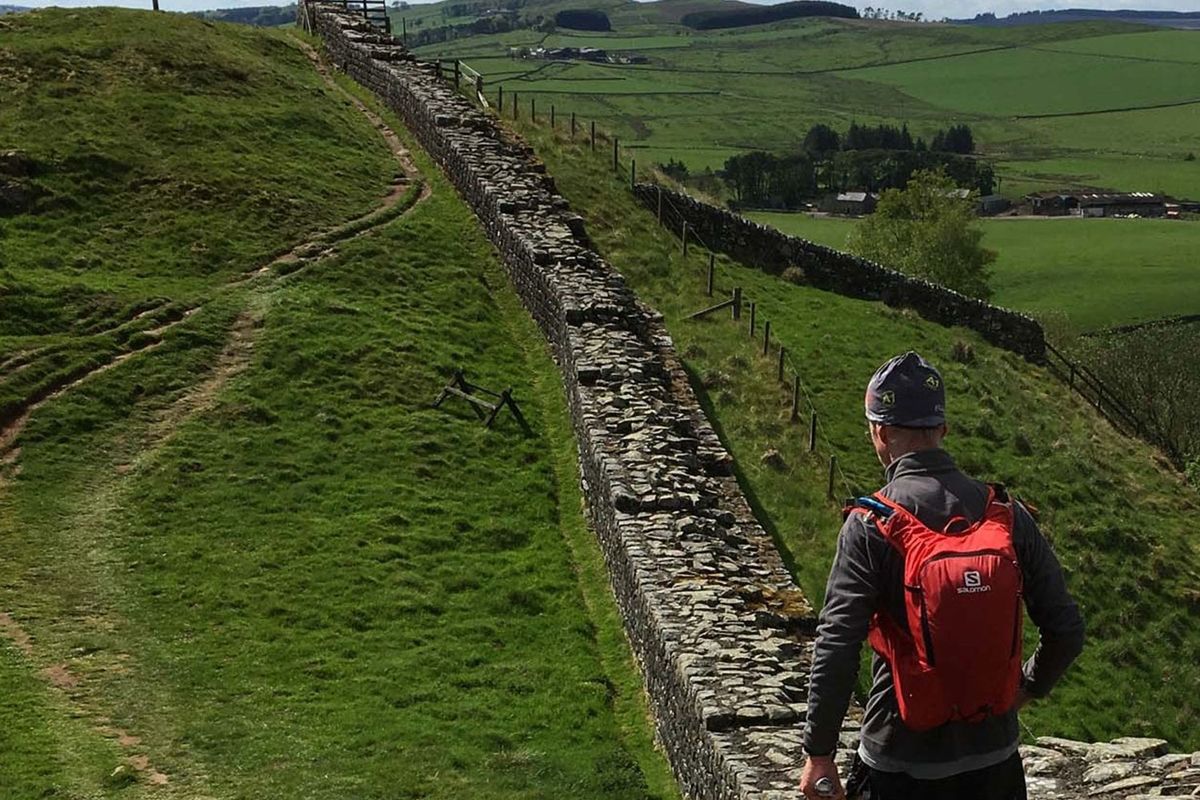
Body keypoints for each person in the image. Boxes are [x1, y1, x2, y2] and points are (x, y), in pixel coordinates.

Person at [799, 352, 1085, 800]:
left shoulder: (871, 524)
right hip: (996, 758)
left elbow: (837, 643)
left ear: (880, 431)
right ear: (942, 430)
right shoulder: (1005, 514)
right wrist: (1023, 690)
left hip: (899, 758)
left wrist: (819, 753)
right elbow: (1066, 630)